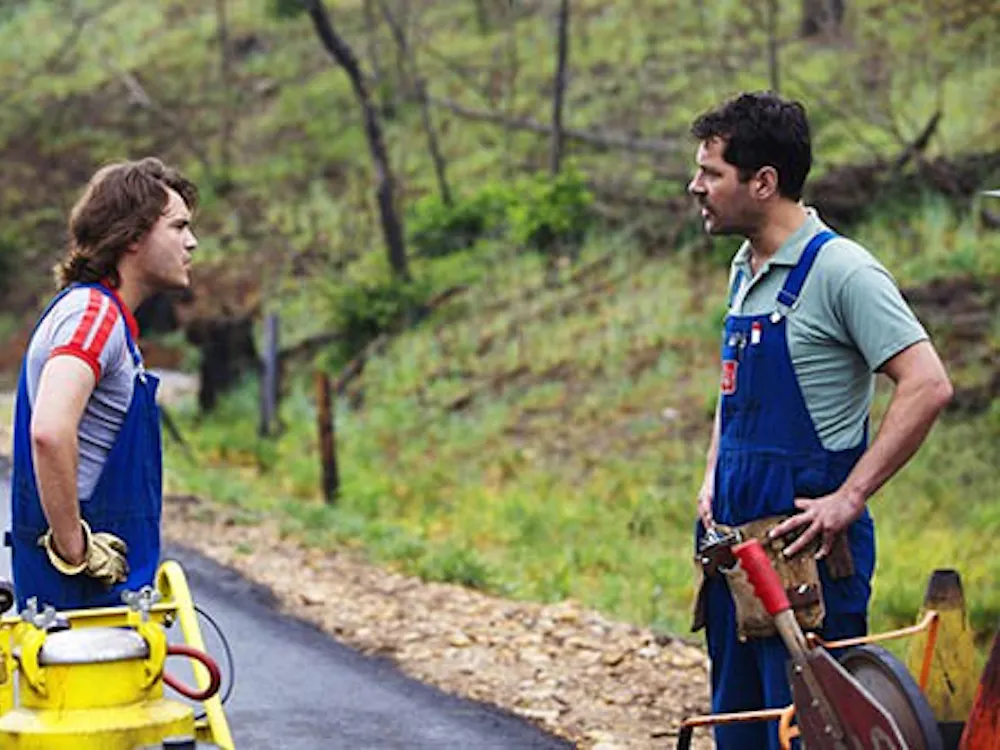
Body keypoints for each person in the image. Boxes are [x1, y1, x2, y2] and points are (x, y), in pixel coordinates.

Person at [686, 92, 952, 749]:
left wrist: (849, 497)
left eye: (711, 172)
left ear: (763, 181)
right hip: (734, 558)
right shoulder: (744, 268)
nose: (696, 186)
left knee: (811, 735)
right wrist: (714, 474)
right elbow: (733, 389)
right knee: (740, 734)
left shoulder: (843, 271)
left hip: (806, 566)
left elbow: (927, 384)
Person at [9, 157, 198, 611]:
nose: (192, 242)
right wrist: (75, 551)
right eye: (178, 227)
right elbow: (49, 431)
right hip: (81, 596)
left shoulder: (100, 318)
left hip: (95, 595)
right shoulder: (93, 317)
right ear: (132, 235)